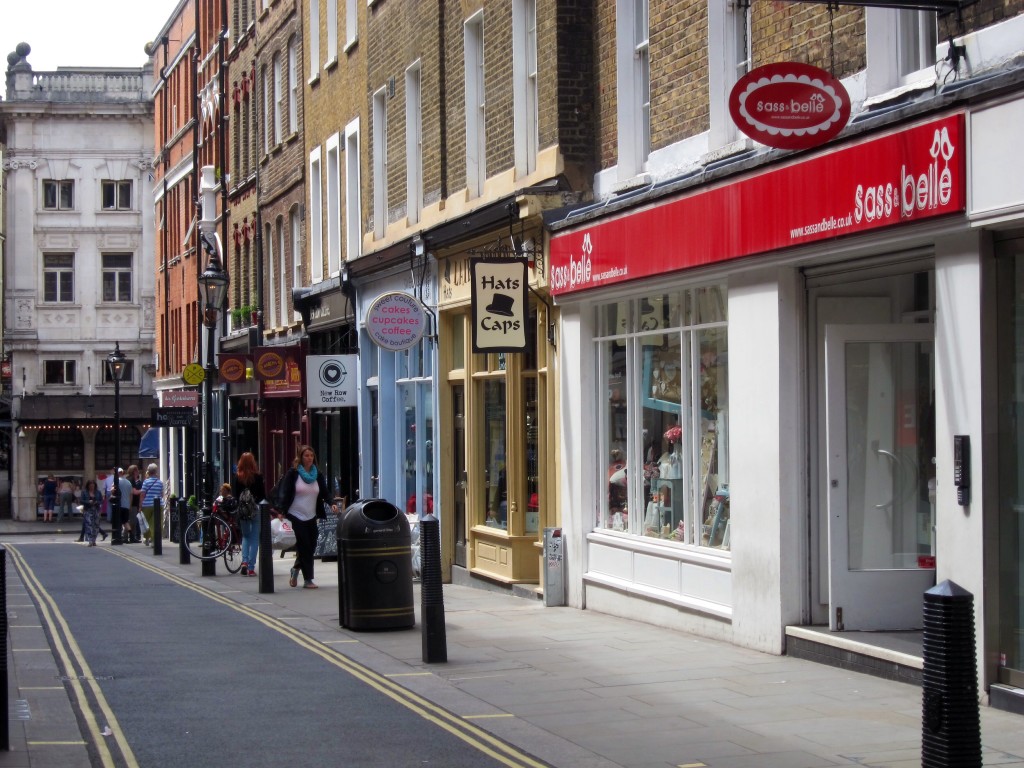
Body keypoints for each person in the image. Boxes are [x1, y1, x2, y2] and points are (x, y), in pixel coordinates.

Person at [276, 444, 336, 589]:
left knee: (312, 545)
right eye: (306, 456)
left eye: (311, 456)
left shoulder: (317, 474)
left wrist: (331, 502)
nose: (309, 458)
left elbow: (324, 492)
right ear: (301, 457)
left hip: (311, 515)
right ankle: (308, 579)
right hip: (295, 514)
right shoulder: (294, 473)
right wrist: (281, 510)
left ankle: (296, 568)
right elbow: (285, 492)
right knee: (305, 546)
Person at [231, 451, 267, 577]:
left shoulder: (237, 477)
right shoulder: (258, 477)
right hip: (255, 509)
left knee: (245, 536)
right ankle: (251, 568)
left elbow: (235, 495)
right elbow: (263, 496)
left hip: (242, 510)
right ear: (253, 462)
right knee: (255, 538)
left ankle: (244, 562)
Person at [139, 464, 164, 547]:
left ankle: (146, 538)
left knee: (146, 523)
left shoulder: (146, 482)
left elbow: (142, 494)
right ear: (156, 471)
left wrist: (140, 505)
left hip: (147, 505)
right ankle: (154, 541)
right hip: (159, 505)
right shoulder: (160, 482)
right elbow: (161, 494)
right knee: (156, 523)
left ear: (148, 471)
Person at [80, 479, 105, 547]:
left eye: (93, 486)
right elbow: (81, 501)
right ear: (88, 486)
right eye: (90, 486)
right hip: (88, 510)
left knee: (96, 526)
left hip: (96, 510)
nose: (92, 487)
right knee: (89, 524)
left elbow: (101, 501)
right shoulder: (84, 492)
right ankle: (90, 541)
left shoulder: (98, 492)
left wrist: (97, 502)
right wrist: (88, 502)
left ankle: (94, 540)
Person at [114, 467, 132, 545]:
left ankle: (120, 537)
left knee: (119, 521)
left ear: (118, 473)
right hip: (126, 505)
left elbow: (112, 491)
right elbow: (131, 495)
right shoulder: (128, 483)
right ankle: (130, 535)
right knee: (125, 521)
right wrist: (130, 505)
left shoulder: (117, 482)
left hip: (119, 505)